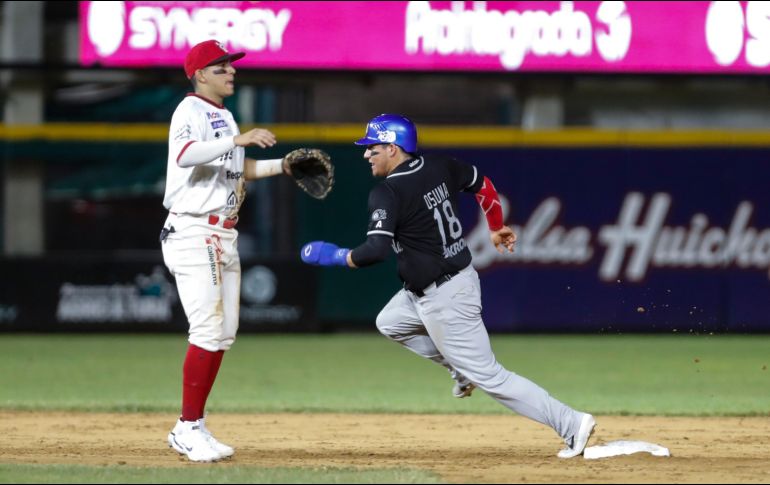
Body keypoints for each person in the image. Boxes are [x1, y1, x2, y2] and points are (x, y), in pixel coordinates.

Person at [300, 114, 596, 458]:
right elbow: (482, 183)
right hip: (441, 284)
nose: (366, 154)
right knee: (389, 322)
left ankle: (571, 423)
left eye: (373, 147)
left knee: (492, 377)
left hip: (445, 296)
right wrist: (496, 225)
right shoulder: (439, 166)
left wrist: (335, 256)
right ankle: (458, 368)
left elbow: (375, 252)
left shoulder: (388, 191)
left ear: (393, 149)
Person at [160, 39, 290, 462]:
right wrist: (238, 137)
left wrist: (282, 167)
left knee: (223, 333)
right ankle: (185, 427)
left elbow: (236, 169)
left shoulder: (225, 115)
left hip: (224, 234)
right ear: (200, 75)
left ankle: (195, 424)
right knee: (207, 330)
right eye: (221, 67)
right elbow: (184, 155)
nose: (232, 71)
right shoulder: (190, 110)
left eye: (231, 65)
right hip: (195, 231)